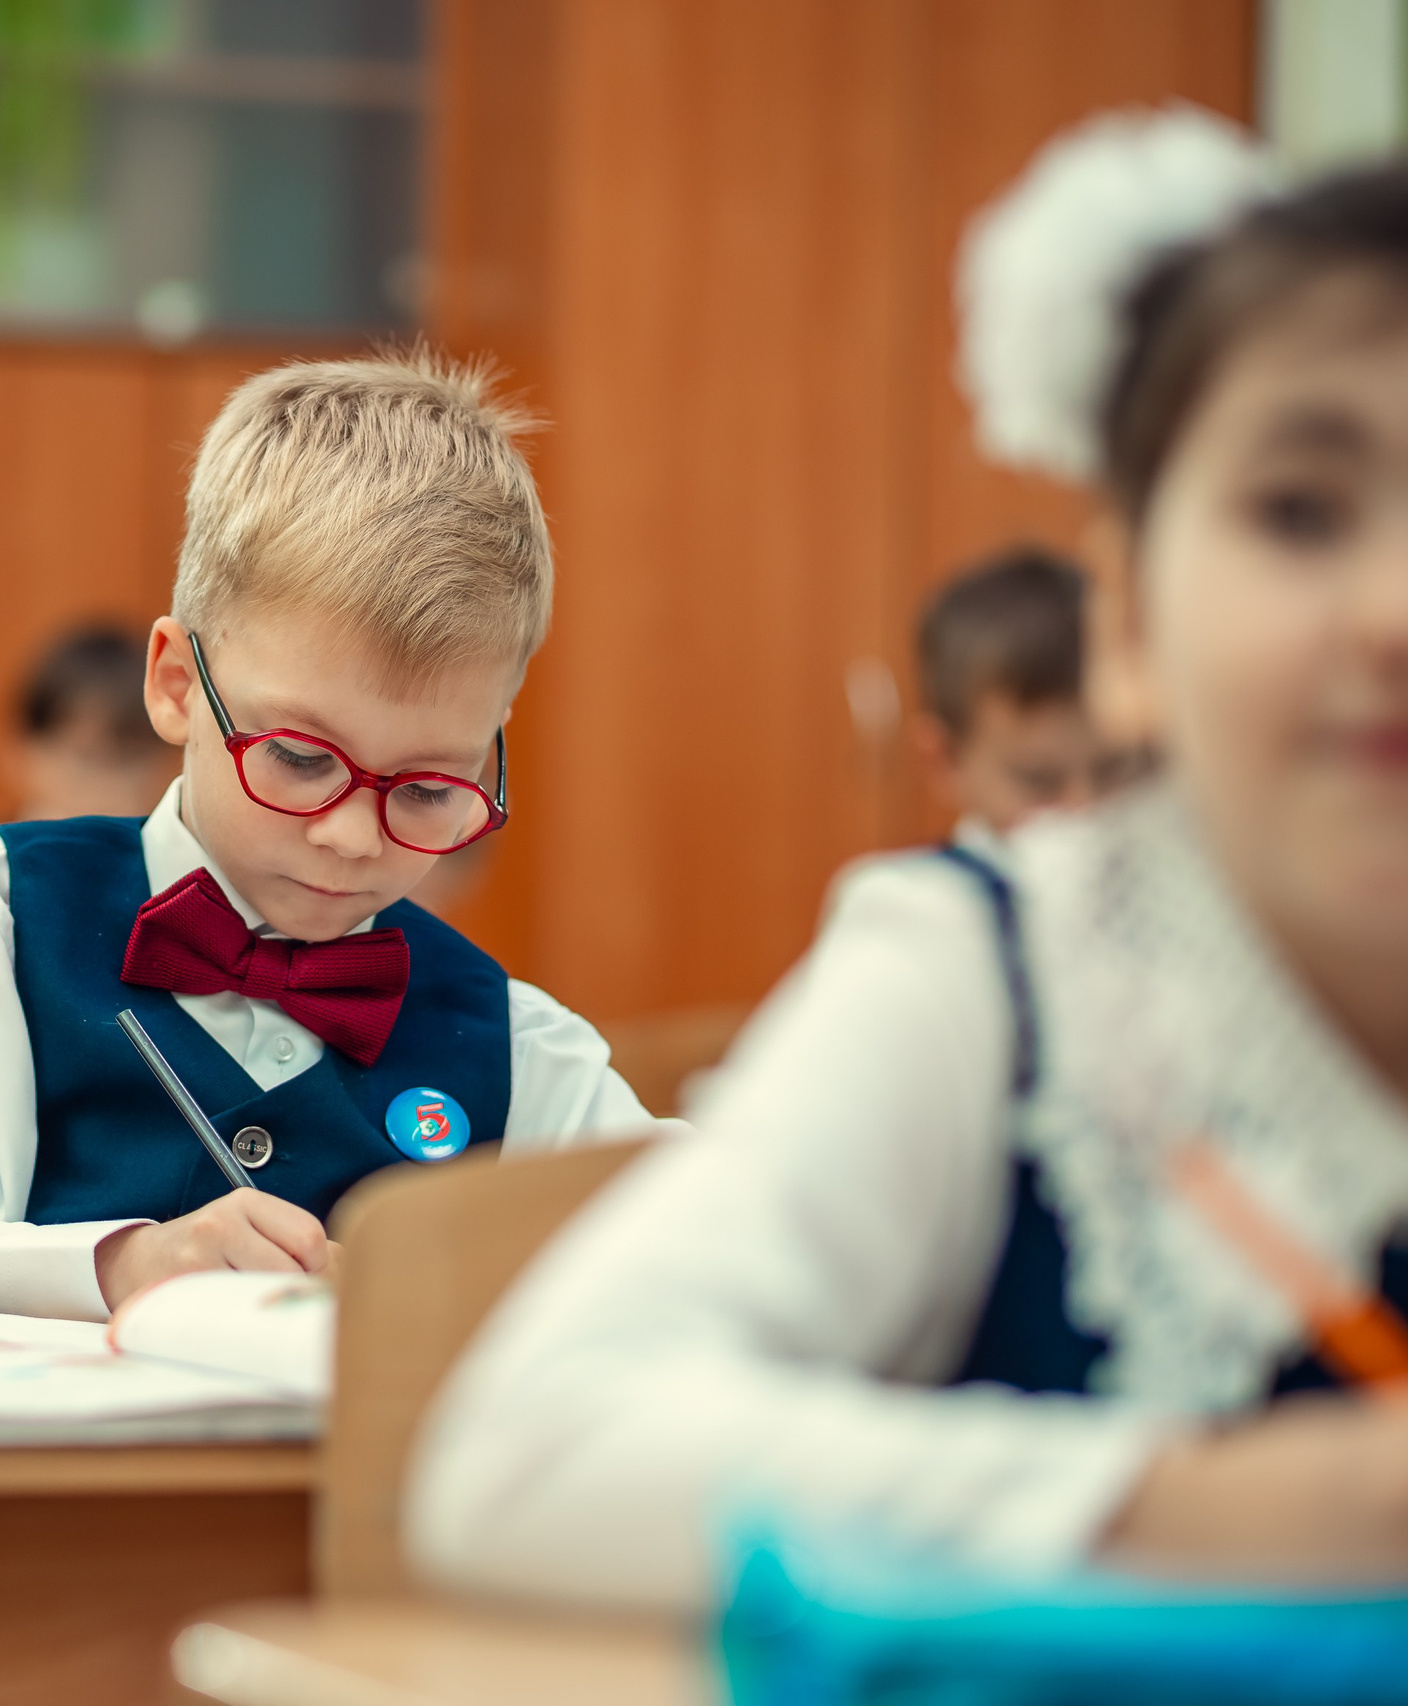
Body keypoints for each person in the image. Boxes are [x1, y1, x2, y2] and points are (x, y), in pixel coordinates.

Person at [406, 113, 1408, 1610]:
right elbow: (529, 1461)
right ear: (1125, 621)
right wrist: (1241, 1506)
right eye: (1300, 511)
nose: (1393, 610)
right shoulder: (997, 973)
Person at [0, 350, 658, 1337]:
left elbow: (702, 1252)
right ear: (175, 684)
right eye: (296, 756)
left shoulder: (520, 1044)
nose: (350, 834)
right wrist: (118, 1266)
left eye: (423, 787)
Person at [912, 546, 1099, 850]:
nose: (1086, 814)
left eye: (1112, 772)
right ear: (944, 758)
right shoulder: (915, 894)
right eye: (1038, 781)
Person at [6, 623, 179, 821]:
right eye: (85, 759)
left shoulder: (181, 851)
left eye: (131, 760)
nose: (110, 789)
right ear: (21, 751)